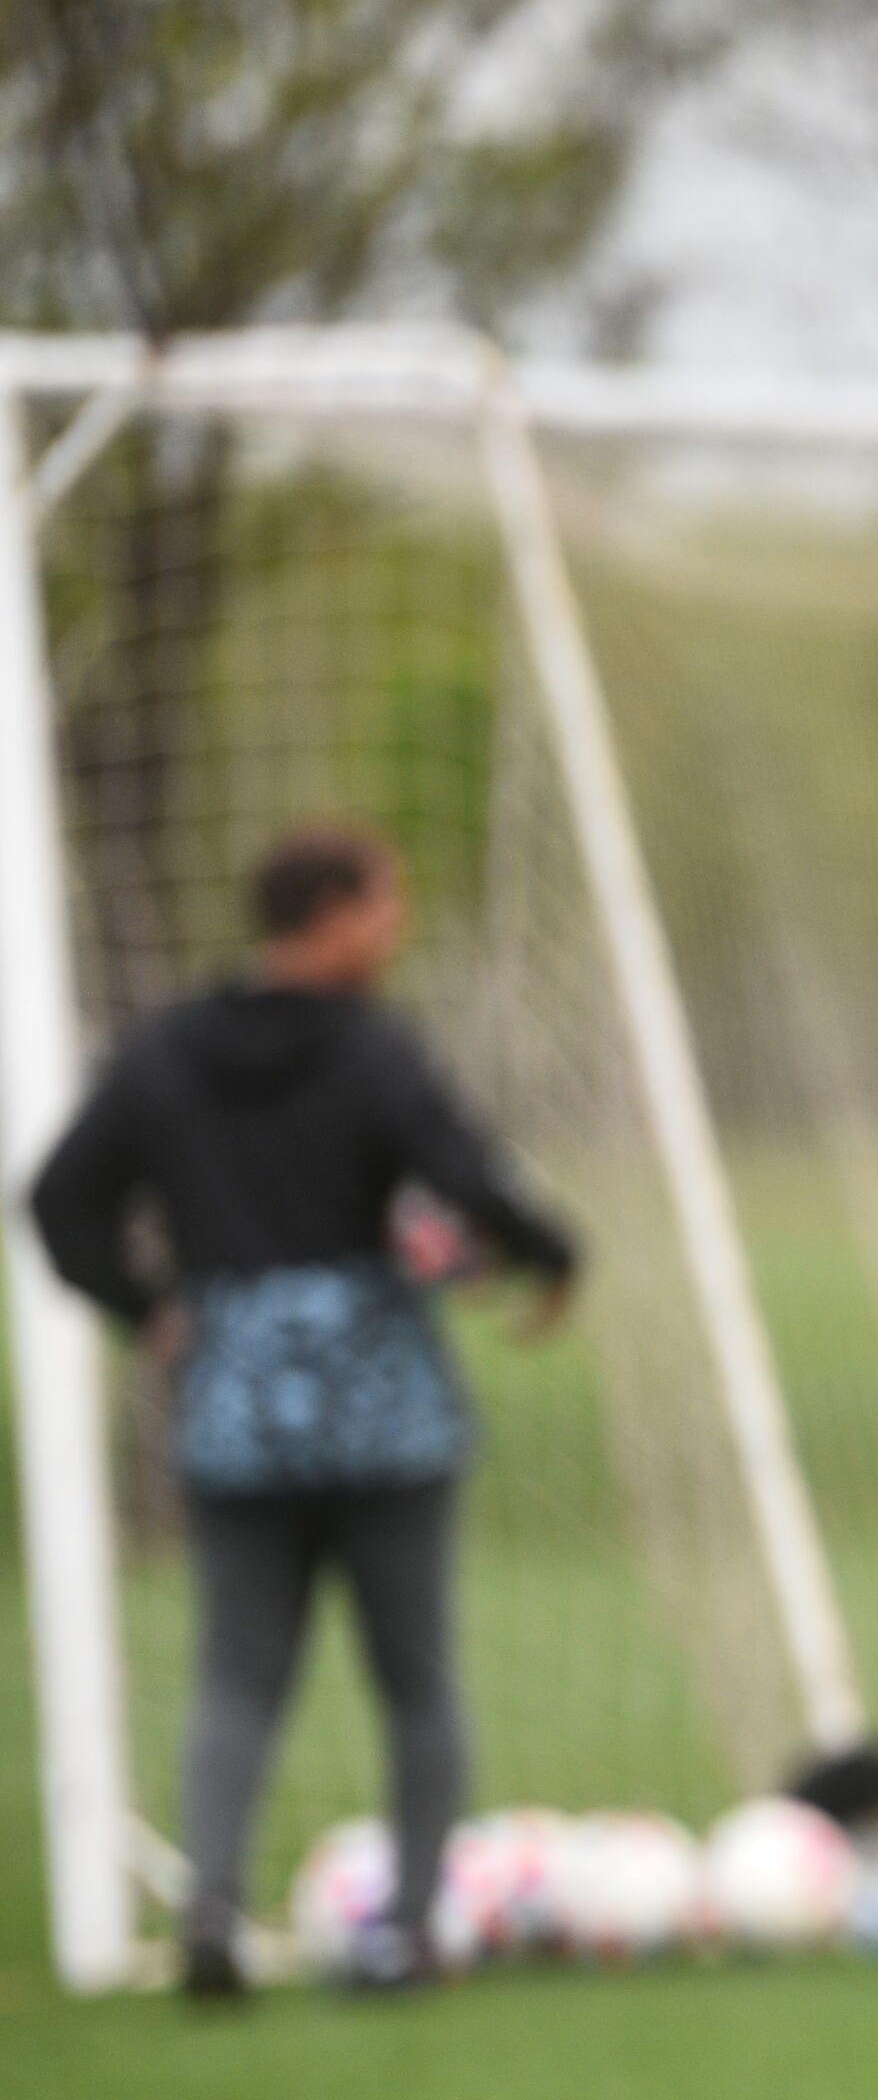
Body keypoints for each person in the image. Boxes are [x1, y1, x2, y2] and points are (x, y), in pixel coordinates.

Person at [23, 823, 578, 1996]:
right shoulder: (372, 1049)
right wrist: (550, 1257)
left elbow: (60, 1196)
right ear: (330, 911)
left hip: (238, 1401)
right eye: (385, 904)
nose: (397, 928)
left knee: (238, 1677)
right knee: (416, 1676)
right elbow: (469, 1173)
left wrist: (146, 1306)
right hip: (381, 1399)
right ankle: (408, 1933)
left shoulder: (165, 1050)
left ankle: (211, 1917)